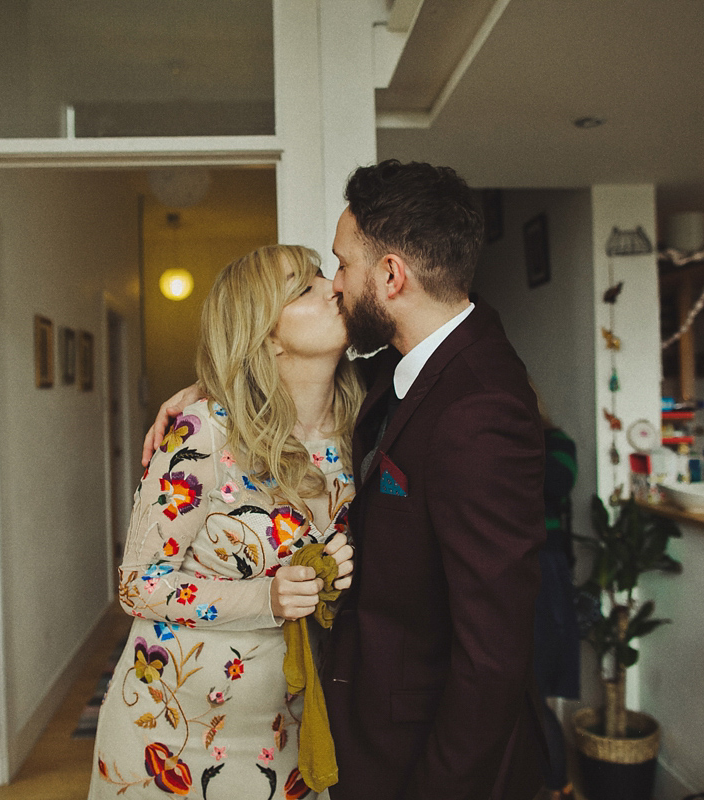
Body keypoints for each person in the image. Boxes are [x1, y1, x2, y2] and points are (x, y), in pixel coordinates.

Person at [144, 160, 548, 800]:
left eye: (340, 264)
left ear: (391, 276)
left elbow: (493, 655)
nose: (334, 285)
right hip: (298, 724)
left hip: (419, 755)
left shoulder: (477, 409)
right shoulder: (414, 365)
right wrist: (217, 388)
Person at [89, 245, 360, 800]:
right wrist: (269, 598)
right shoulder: (204, 433)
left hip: (295, 732)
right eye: (305, 288)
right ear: (266, 335)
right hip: (168, 735)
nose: (332, 286)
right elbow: (138, 584)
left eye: (323, 276)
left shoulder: (367, 424)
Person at [531, 393, 581, 800]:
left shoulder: (558, 443)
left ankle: (557, 789)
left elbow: (556, 484)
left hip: (544, 573)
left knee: (531, 690)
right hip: (507, 571)